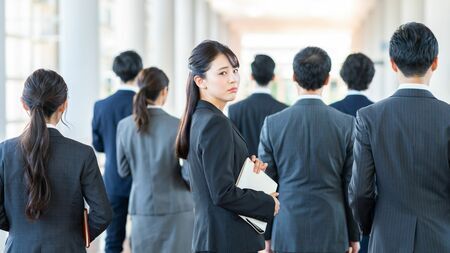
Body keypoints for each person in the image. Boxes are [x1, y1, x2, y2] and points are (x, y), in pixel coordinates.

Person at [349, 22, 450, 253]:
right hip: (441, 239)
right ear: (435, 62)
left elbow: (360, 192)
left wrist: (370, 226)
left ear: (393, 64)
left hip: (387, 238)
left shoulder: (369, 118)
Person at [175, 40, 280, 253]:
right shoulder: (215, 122)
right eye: (222, 73)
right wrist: (268, 202)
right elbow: (222, 192)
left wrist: (245, 166)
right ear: (200, 81)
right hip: (226, 240)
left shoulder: (202, 117)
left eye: (235, 70)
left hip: (216, 238)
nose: (233, 78)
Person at [259, 47, 360, 253]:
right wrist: (353, 235)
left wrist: (267, 235)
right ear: (327, 79)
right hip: (333, 227)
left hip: (287, 227)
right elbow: (351, 185)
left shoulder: (273, 124)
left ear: (294, 77)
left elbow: (266, 185)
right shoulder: (346, 124)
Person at [0, 69, 112, 252]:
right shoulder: (82, 154)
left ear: (23, 104)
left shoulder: (4, 151)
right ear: (64, 105)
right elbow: (103, 213)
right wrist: (76, 237)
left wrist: (20, 230)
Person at [116, 67, 194, 253]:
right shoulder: (180, 125)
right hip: (178, 208)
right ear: (164, 91)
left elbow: (123, 171)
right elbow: (189, 174)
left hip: (142, 209)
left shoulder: (125, 126)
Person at [92, 50, 142, 253]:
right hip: (142, 181)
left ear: (116, 72)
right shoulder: (143, 106)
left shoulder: (101, 106)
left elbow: (98, 145)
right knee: (140, 239)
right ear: (140, 72)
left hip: (113, 180)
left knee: (112, 240)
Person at [228, 54, 287, 156]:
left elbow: (233, 148)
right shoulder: (284, 110)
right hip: (273, 171)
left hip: (243, 169)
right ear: (273, 77)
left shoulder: (234, 110)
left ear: (251, 76)